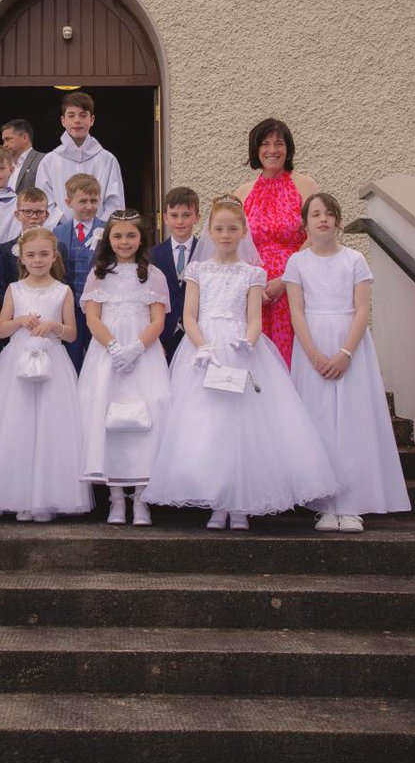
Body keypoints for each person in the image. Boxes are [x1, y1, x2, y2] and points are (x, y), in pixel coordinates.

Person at [144, 195, 337, 532]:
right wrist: (202, 347)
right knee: (209, 426)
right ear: (210, 231)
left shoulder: (253, 273)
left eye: (232, 228)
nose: (225, 234)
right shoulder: (198, 270)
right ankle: (217, 502)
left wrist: (248, 342)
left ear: (243, 231)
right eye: (219, 228)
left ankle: (241, 505)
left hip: (241, 347)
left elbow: (253, 317)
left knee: (244, 427)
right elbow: (189, 315)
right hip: (204, 348)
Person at [283, 192, 411, 533]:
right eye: (315, 214)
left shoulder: (355, 259)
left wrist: (345, 353)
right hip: (312, 345)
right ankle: (325, 504)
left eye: (329, 213)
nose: (322, 219)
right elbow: (296, 310)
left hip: (349, 345)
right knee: (319, 421)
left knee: (352, 423)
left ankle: (352, 505)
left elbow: (362, 310)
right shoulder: (297, 263)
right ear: (305, 224)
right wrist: (313, 355)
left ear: (338, 221)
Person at [0, 228, 92, 522]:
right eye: (31, 255)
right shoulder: (15, 290)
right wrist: (19, 320)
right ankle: (20, 498)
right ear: (22, 258)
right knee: (17, 426)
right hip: (17, 361)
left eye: (44, 254)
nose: (38, 260)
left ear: (54, 256)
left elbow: (72, 334)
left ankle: (47, 498)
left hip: (53, 363)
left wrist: (54, 326)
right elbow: (1, 330)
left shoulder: (63, 291)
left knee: (51, 429)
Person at [78, 210, 172, 527]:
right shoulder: (99, 274)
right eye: (117, 236)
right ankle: (116, 499)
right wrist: (116, 347)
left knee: (149, 419)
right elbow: (93, 318)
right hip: (107, 354)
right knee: (109, 421)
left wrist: (135, 348)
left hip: (143, 354)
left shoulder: (154, 275)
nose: (124, 241)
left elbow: (158, 320)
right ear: (109, 240)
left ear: (141, 238)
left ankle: (142, 499)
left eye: (131, 235)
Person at [234, 118, 319, 366]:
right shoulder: (242, 192)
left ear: (288, 148)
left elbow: (315, 234)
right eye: (265, 144)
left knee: (293, 351)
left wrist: (285, 278)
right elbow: (235, 244)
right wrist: (254, 286)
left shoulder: (305, 185)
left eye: (278, 143)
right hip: (257, 290)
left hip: (296, 283)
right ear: (256, 149)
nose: (272, 150)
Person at [36, 91, 124, 223]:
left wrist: (98, 231)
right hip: (59, 235)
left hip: (98, 236)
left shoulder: (107, 160)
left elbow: (115, 203)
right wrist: (66, 229)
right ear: (63, 120)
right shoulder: (50, 161)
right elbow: (44, 202)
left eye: (83, 115)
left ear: (92, 120)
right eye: (71, 116)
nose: (77, 120)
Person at [53, 174, 107, 371]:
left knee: (97, 357)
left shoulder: (108, 230)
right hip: (69, 308)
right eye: (83, 201)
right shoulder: (57, 233)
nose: (89, 206)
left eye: (94, 200)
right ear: (68, 202)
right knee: (71, 357)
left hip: (99, 307)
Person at [149, 187, 200, 363]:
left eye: (186, 215)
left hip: (196, 335)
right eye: (174, 215)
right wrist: (154, 340)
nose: (180, 221)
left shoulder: (206, 254)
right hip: (162, 335)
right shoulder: (152, 255)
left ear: (197, 217)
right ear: (165, 218)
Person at [0, 187, 70, 303]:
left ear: (46, 215)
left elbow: (63, 281)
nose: (34, 217)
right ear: (17, 214)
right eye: (27, 212)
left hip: (51, 303)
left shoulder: (59, 247)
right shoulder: (5, 249)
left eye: (39, 212)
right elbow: (4, 287)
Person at [1, 118, 44, 192]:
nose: (4, 145)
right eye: (4, 141)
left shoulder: (43, 160)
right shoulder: (3, 165)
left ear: (25, 138)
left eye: (8, 139)